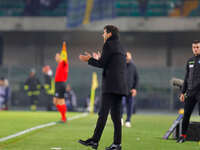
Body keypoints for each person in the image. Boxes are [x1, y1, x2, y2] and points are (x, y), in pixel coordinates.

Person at [78, 25, 128, 150]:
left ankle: (95, 141)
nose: (102, 35)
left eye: (104, 32)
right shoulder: (121, 46)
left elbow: (102, 64)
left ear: (109, 34)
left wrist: (89, 59)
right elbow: (110, 62)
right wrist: (98, 58)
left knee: (103, 113)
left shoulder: (108, 45)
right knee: (116, 116)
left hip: (110, 85)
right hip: (120, 85)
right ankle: (117, 144)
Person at [177, 40, 200, 143]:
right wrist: (183, 92)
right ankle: (182, 136)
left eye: (198, 47)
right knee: (186, 115)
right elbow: (186, 78)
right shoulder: (190, 61)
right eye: (194, 47)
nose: (195, 49)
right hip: (190, 93)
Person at [121, 52, 139, 128]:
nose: (127, 57)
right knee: (121, 104)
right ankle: (120, 118)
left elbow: (137, 78)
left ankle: (128, 120)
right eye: (126, 56)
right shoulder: (121, 65)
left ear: (130, 57)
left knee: (130, 106)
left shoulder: (133, 66)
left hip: (130, 91)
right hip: (121, 90)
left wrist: (135, 89)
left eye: (128, 56)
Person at [53, 41, 69, 123]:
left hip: (60, 84)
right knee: (55, 102)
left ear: (60, 57)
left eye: (56, 56)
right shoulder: (60, 64)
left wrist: (63, 46)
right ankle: (63, 117)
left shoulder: (63, 63)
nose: (55, 57)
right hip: (58, 84)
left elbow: (64, 55)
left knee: (60, 101)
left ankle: (63, 118)